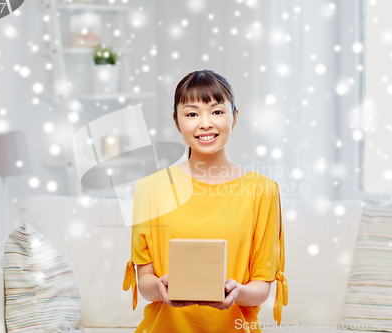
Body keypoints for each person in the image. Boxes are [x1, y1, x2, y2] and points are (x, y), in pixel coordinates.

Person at [123, 69, 287, 332]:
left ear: (234, 116)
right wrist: (160, 287)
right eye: (191, 113)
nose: (205, 123)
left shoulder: (263, 190)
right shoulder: (150, 189)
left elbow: (262, 287)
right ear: (176, 121)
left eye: (217, 111)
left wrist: (238, 292)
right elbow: (144, 282)